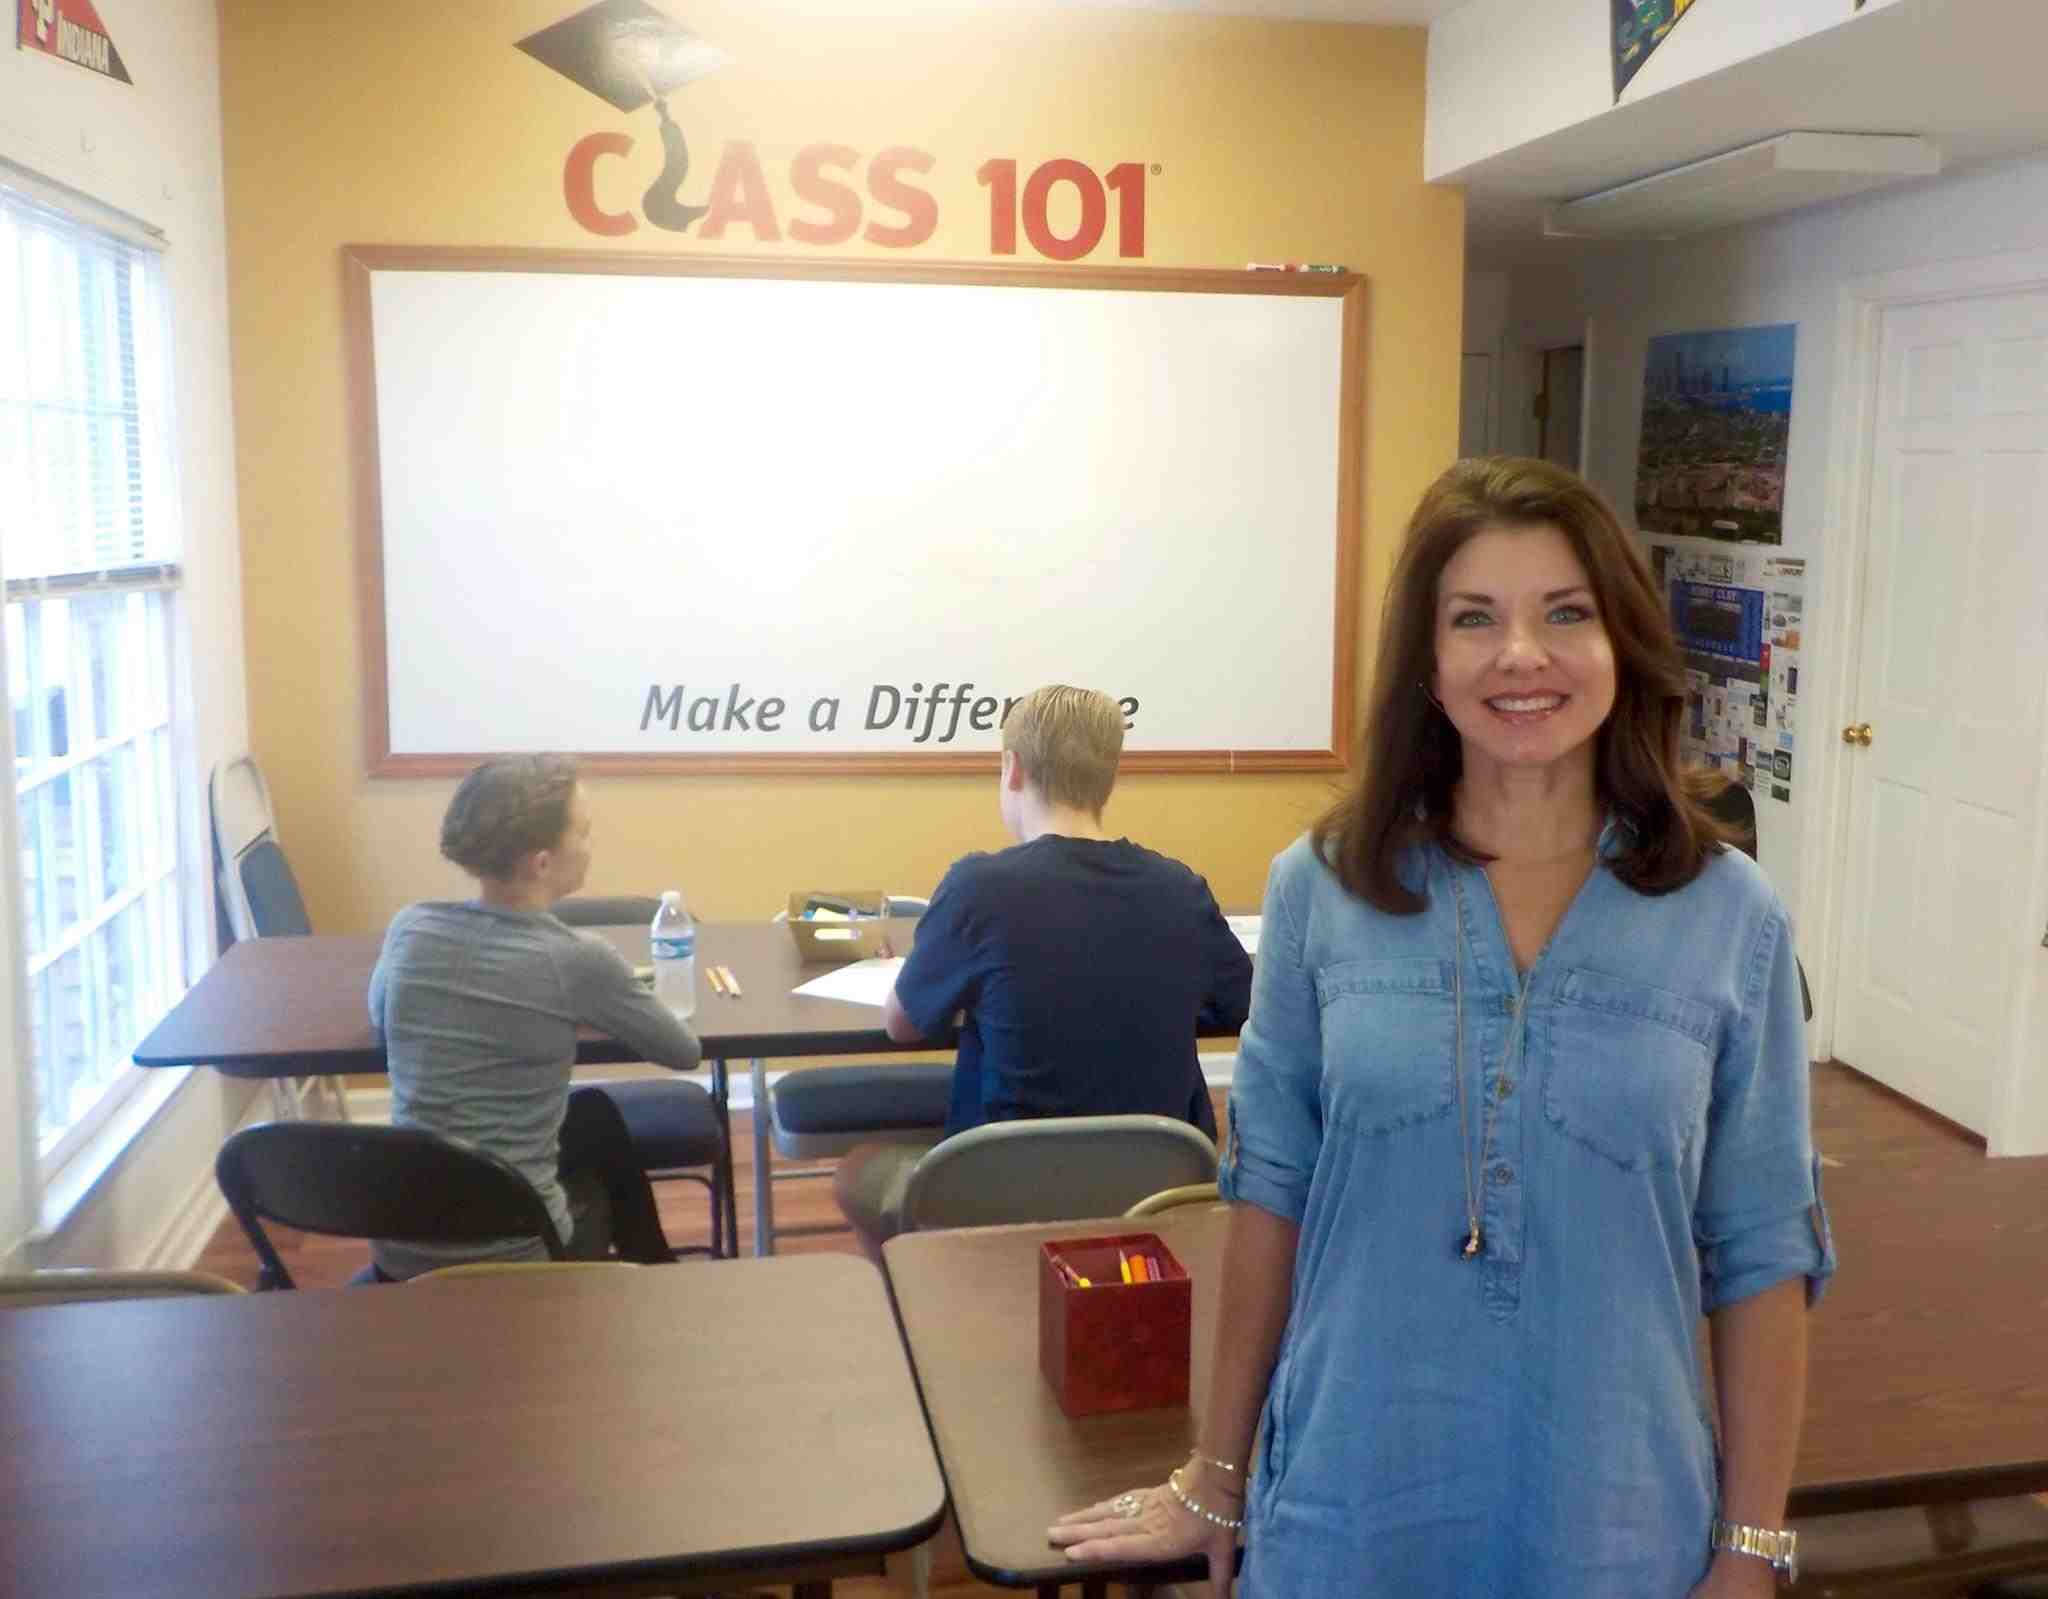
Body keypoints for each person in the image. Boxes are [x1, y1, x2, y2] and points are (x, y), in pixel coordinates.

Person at [1050, 458, 1835, 1597]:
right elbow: (1268, 1194)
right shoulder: (1321, 889)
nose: (1520, 655)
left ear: (1621, 641)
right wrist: (1215, 1477)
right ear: (1426, 661)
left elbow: (1764, 1252)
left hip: (1619, 1524)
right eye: (1474, 618)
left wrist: (1748, 1551)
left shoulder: (1729, 919)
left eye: (1564, 613)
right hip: (1350, 1508)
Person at [833, 684, 1253, 1259]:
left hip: (1005, 1191)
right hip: (1159, 1191)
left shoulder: (978, 888)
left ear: (1012, 770)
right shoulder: (1180, 889)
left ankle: (920, 1310)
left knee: (856, 1173)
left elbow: (902, 1025)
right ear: (1109, 778)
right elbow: (1242, 1003)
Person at [368, 754, 701, 1279]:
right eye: (584, 833)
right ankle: (652, 1276)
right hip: (520, 1258)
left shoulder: (411, 928)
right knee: (602, 1153)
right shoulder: (576, 959)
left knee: (592, 1116)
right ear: (542, 863)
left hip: (401, 1252)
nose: (591, 847)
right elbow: (683, 1051)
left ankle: (658, 1269)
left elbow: (382, 1018)